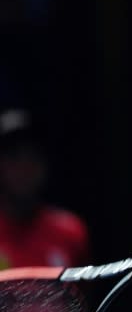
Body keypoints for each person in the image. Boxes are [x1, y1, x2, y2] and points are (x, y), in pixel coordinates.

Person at [0, 108, 91, 270]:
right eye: (14, 157)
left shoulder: (71, 232)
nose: (24, 168)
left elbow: (82, 294)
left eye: (33, 156)